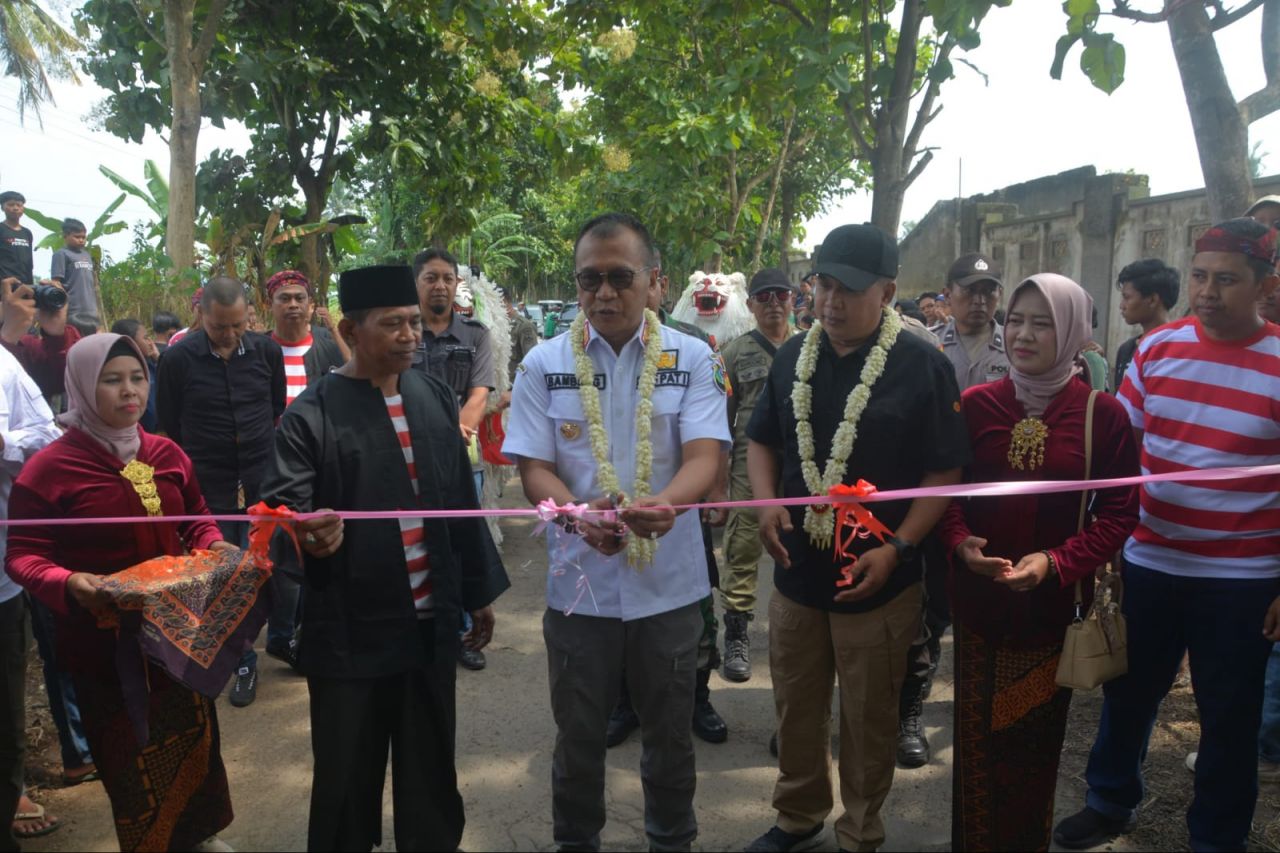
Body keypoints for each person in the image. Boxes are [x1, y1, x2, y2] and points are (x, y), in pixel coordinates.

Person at [259, 264, 508, 852]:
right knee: (345, 776)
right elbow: (282, 513)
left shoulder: (432, 396)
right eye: (393, 324)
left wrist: (476, 593)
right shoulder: (311, 414)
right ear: (351, 330)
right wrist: (306, 533)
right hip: (351, 631)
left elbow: (458, 501)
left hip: (429, 624)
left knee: (430, 768)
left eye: (414, 323)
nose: (410, 335)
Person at [504, 213, 729, 852]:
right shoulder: (543, 364)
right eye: (589, 279)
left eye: (620, 277)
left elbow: (705, 456)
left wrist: (670, 504)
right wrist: (576, 515)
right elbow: (534, 469)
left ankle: (671, 841)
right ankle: (576, 842)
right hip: (580, 588)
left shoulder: (694, 357)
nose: (604, 293)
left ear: (655, 282)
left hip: (669, 586)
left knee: (670, 738)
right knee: (578, 738)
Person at [1053, 217, 1280, 852]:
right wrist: (1109, 545)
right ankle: (1110, 800)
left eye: (1226, 280)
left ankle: (1217, 837)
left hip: (1242, 579)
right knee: (1128, 694)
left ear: (1266, 284)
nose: (1207, 292)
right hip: (1150, 561)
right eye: (1200, 276)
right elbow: (1121, 455)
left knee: (1229, 717)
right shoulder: (1157, 349)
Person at [744, 223, 969, 853]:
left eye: (848, 290)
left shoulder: (922, 365)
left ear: (887, 292)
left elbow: (945, 472)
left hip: (881, 579)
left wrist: (899, 547)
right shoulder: (793, 355)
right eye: (823, 286)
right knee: (796, 705)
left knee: (869, 715)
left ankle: (860, 831)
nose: (831, 302)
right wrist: (766, 504)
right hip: (797, 574)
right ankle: (798, 817)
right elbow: (762, 441)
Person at [7, 333, 237, 852]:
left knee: (195, 740)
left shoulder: (166, 452)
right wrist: (69, 582)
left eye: (137, 378)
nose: (129, 391)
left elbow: (196, 517)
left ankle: (198, 837)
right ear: (82, 386)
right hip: (103, 650)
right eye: (111, 380)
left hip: (177, 637)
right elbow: (22, 556)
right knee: (130, 759)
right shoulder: (48, 470)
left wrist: (214, 543)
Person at [940, 273, 1140, 851]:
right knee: (975, 748)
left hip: (1051, 613)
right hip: (980, 608)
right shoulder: (975, 405)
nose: (1023, 335)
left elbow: (1120, 513)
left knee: (1031, 751)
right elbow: (946, 494)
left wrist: (1056, 562)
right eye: (1017, 321)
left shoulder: (1102, 415)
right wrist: (960, 543)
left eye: (1043, 323)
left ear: (1074, 330)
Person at [605, 248, 730, 748]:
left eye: (628, 278)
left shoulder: (695, 345)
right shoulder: (594, 348)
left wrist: (716, 488)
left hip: (681, 508)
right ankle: (625, 701)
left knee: (695, 607)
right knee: (619, 606)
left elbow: (716, 431)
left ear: (657, 283)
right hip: (617, 507)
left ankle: (697, 695)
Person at [156, 277, 285, 707]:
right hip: (208, 485)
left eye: (237, 325)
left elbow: (275, 406)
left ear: (250, 315)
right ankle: (240, 660)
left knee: (268, 565)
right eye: (218, 327)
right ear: (201, 316)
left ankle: (278, 640)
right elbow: (169, 421)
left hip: (261, 480)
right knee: (221, 575)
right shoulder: (177, 359)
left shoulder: (267, 352)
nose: (229, 335)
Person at [410, 248, 497, 672]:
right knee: (416, 542)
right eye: (431, 278)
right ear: (416, 283)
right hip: (408, 457)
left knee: (460, 542)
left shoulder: (476, 335)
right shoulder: (404, 332)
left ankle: (462, 633)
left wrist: (448, 437)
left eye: (447, 278)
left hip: (461, 458)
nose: (440, 286)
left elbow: (478, 394)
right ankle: (421, 632)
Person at [262, 269, 347, 668]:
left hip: (323, 463)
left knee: (320, 543)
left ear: (312, 305)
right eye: (285, 298)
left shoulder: (328, 346)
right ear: (270, 305)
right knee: (283, 551)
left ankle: (307, 633)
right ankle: (280, 635)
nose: (293, 305)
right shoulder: (259, 349)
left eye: (300, 298)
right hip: (275, 466)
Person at [718, 268, 796, 682]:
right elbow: (720, 422)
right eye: (763, 297)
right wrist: (718, 484)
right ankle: (736, 633)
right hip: (749, 466)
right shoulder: (733, 353)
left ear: (793, 299)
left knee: (803, 545)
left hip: (801, 467)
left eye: (781, 294)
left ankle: (799, 631)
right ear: (750, 305)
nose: (773, 303)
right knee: (743, 547)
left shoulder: (811, 346)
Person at [1113, 259, 1179, 391]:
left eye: (1127, 297)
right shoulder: (1126, 350)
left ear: (1152, 300)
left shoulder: (1180, 349)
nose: (1121, 306)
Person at [108, 319, 159, 433]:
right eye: (145, 338)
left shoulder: (151, 364)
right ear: (131, 342)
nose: (150, 342)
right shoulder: (120, 369)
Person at [49, 219, 99, 330]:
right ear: (65, 236)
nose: (81, 240)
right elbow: (56, 282)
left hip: (90, 309)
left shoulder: (87, 255)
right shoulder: (61, 254)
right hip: (73, 310)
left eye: (83, 237)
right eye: (77, 237)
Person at [502, 286, 538, 389]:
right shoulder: (496, 326)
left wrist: (519, 387)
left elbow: (531, 363)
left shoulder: (524, 326)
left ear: (504, 302)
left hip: (514, 389)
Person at [0, 193, 33, 289]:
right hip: (5, 285)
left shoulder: (27, 233)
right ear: (2, 208)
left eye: (19, 205)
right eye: (11, 205)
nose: (15, 208)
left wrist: (31, 285)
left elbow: (29, 262)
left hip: (24, 284)